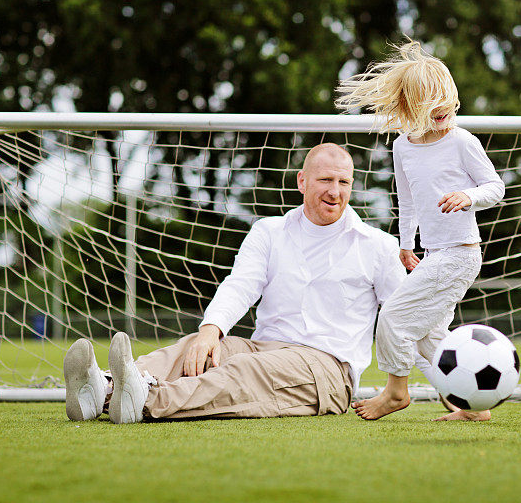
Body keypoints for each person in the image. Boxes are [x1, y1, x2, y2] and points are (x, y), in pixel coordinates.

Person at [63, 143, 407, 423]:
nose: (335, 191)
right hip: (265, 346)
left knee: (243, 370)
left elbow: (409, 316)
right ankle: (101, 389)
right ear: (302, 181)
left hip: (328, 368)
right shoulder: (270, 232)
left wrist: (450, 390)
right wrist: (210, 332)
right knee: (199, 348)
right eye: (325, 180)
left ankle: (144, 399)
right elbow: (240, 284)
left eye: (343, 182)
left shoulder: (377, 246)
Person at [335, 39, 505, 420]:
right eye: (432, 103)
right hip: (433, 253)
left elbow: (496, 187)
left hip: (461, 253)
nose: (444, 109)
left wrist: (468, 196)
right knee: (431, 338)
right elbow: (407, 200)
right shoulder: (403, 147)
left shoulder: (462, 141)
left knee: (394, 316)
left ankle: (396, 392)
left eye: (448, 99)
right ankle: (469, 405)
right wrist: (406, 244)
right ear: (411, 107)